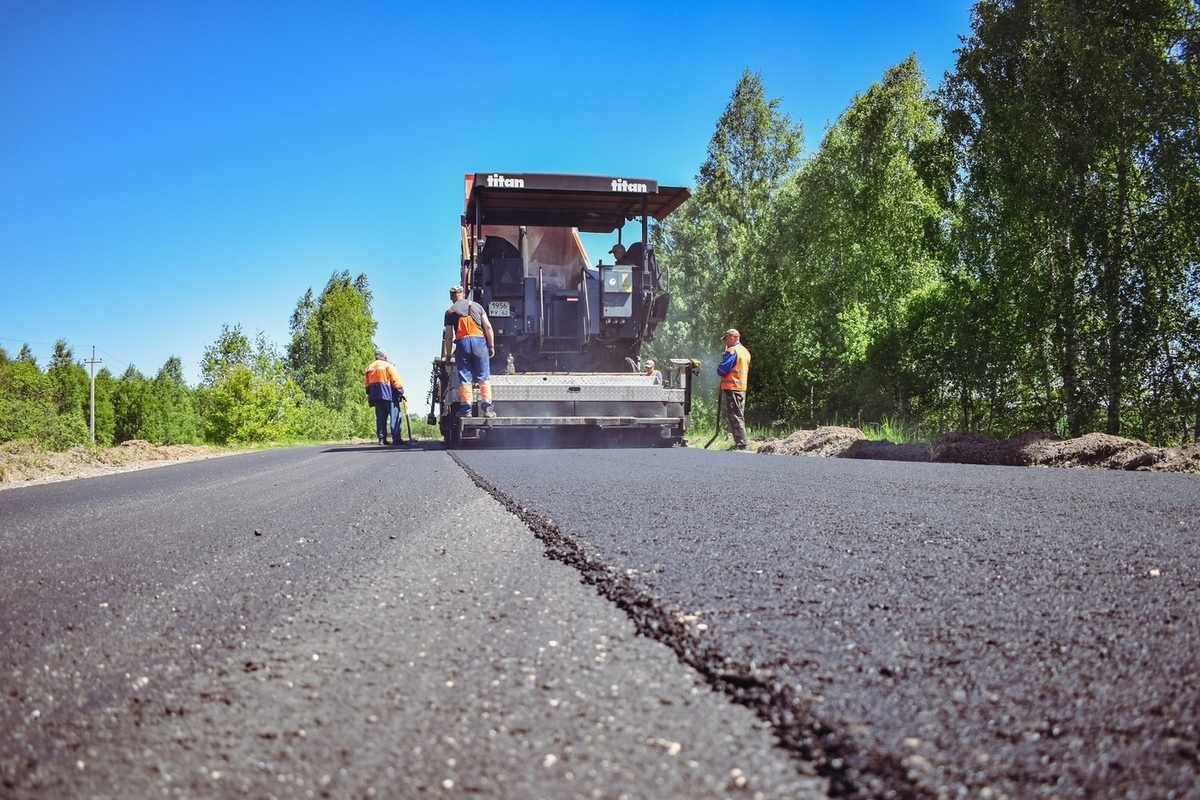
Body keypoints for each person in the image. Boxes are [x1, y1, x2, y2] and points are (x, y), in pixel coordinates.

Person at [443, 285, 497, 418]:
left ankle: (466, 411)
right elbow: (488, 327)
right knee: (483, 376)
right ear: (463, 294)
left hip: (462, 344)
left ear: (452, 297)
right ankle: (488, 409)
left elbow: (449, 336)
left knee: (465, 378)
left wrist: (448, 355)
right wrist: (491, 346)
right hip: (479, 342)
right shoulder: (477, 306)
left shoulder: (450, 311)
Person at [717, 328, 751, 450]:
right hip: (741, 387)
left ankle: (741, 444)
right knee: (738, 414)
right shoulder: (745, 351)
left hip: (732, 388)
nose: (725, 342)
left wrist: (722, 360)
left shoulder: (732, 351)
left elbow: (722, 369)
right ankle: (740, 443)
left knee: (735, 416)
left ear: (732, 337)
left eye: (726, 339)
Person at [364, 350, 404, 445]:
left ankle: (381, 439)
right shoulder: (388, 366)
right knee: (395, 416)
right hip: (389, 394)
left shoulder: (369, 367)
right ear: (384, 356)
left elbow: (366, 383)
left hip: (376, 396)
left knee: (380, 417)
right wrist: (401, 391)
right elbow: (395, 379)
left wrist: (369, 394)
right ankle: (396, 438)